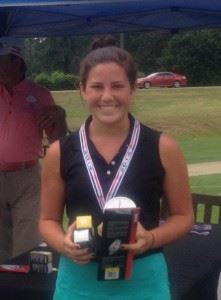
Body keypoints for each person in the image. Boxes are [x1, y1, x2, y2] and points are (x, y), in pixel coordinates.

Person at [39, 36, 194, 300]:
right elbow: (47, 221)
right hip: (79, 283)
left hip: (143, 282)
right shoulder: (60, 151)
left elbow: (183, 216)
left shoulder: (163, 146)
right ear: (82, 90)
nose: (107, 96)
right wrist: (62, 244)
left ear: (133, 89)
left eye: (118, 86)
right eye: (97, 86)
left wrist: (152, 239)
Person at [0, 37, 67, 263]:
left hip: (26, 178)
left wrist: (60, 119)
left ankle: (21, 288)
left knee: (26, 241)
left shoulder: (39, 94)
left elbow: (57, 139)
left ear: (16, 61)